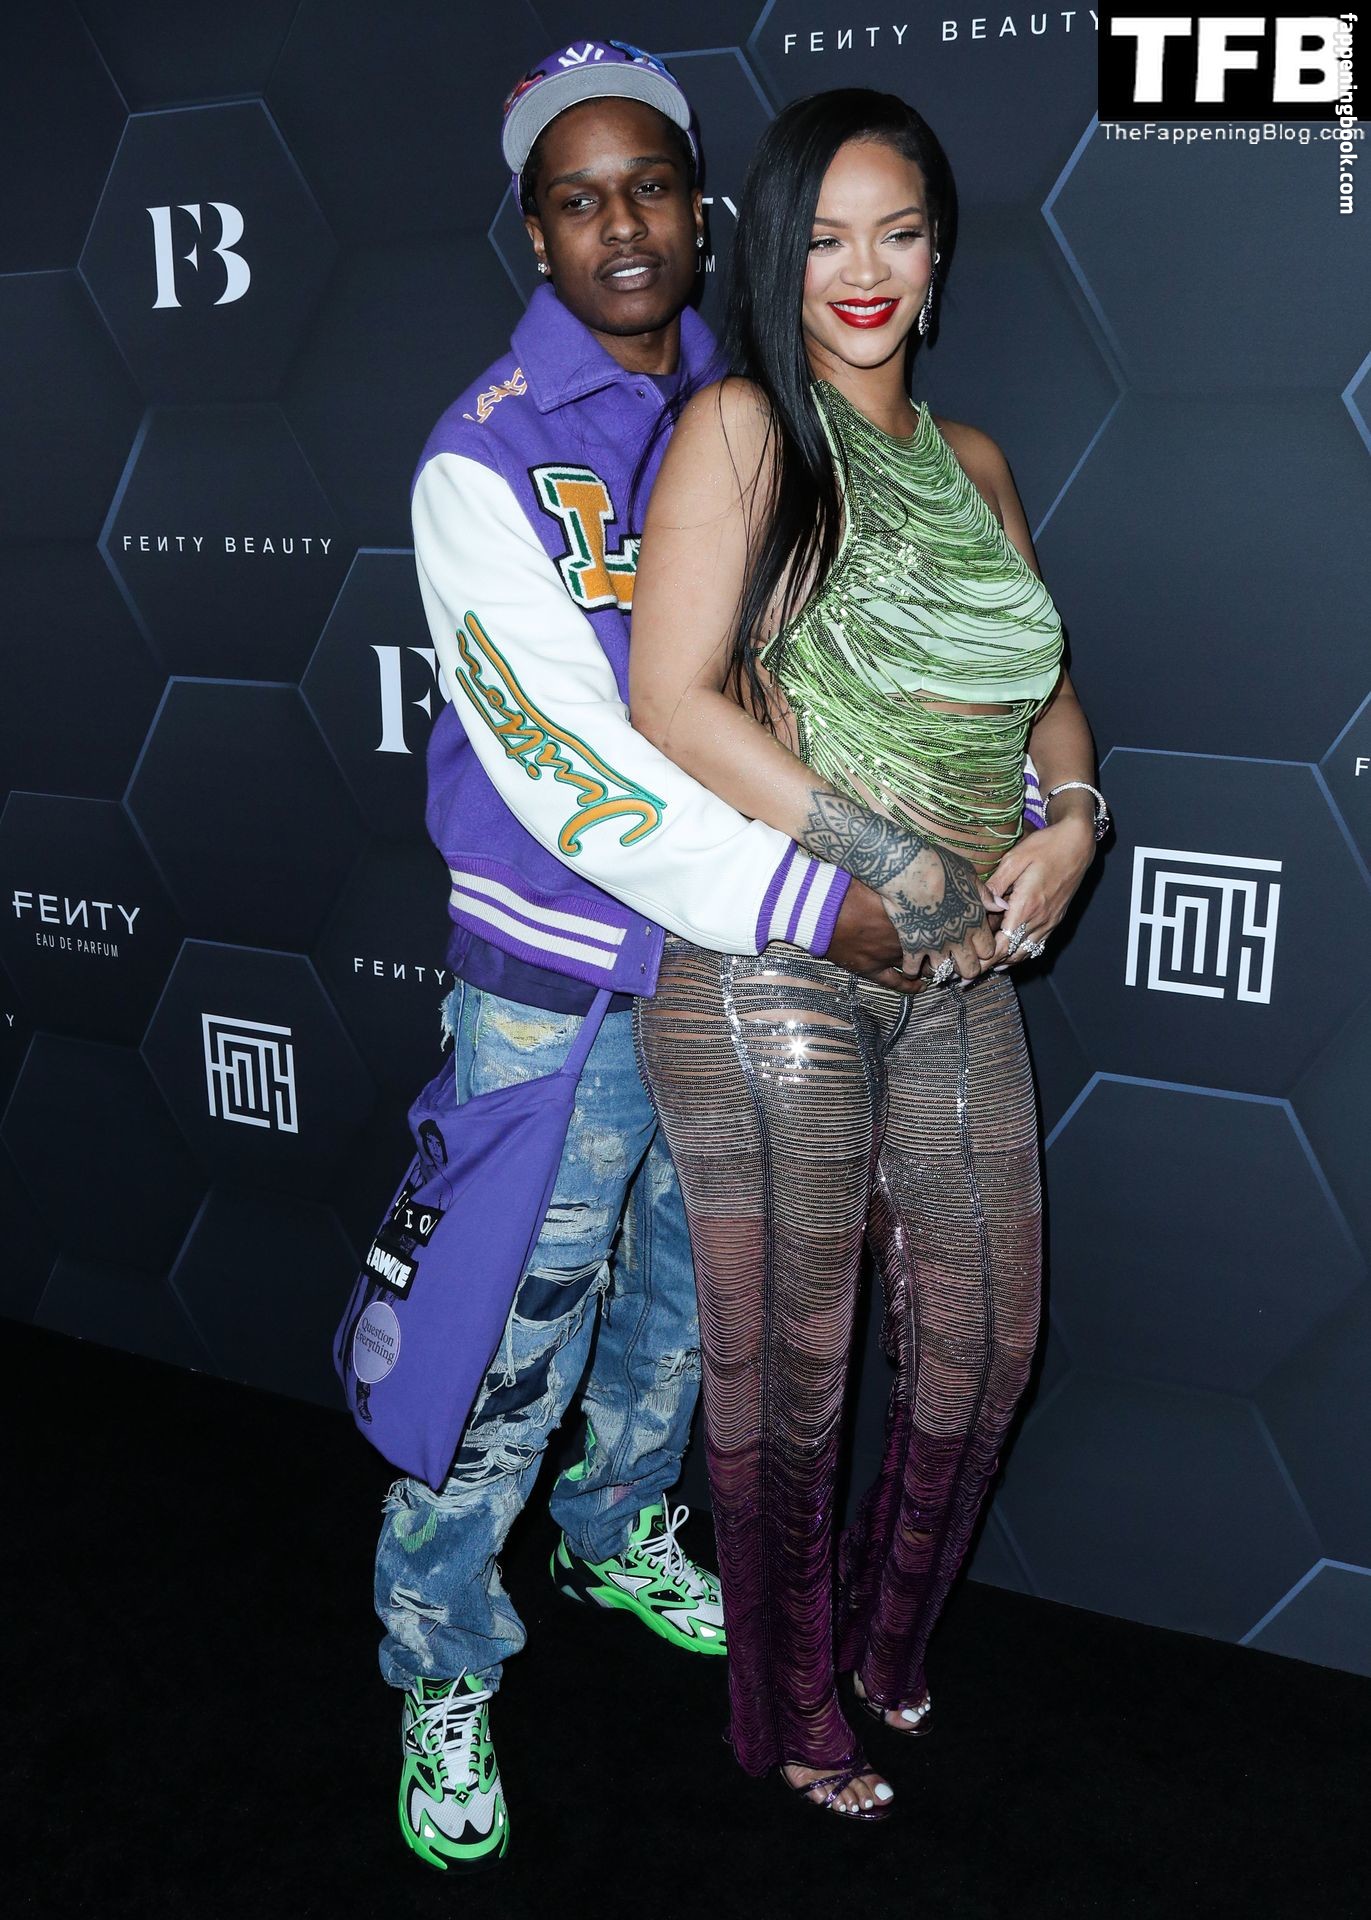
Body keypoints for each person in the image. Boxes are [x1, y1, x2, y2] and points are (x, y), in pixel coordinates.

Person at [382, 46, 910, 1871]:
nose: (623, 227)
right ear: (534, 230)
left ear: (703, 207)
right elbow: (565, 763)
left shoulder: (757, 400)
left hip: (737, 978)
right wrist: (812, 902)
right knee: (502, 1337)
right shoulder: (481, 451)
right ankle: (441, 1653)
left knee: (687, 1298)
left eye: (652, 189)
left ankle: (616, 1534)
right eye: (579, 199)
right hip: (561, 978)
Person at [629, 88, 1107, 1821]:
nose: (864, 268)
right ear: (775, 250)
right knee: (795, 1367)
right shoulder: (745, 429)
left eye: (898, 232)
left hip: (958, 973)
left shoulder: (973, 463)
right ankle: (787, 1711)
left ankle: (885, 1650)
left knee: (986, 1351)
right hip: (778, 969)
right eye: (826, 235)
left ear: (939, 254)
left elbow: (1043, 684)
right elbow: (669, 698)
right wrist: (887, 850)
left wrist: (1074, 815)